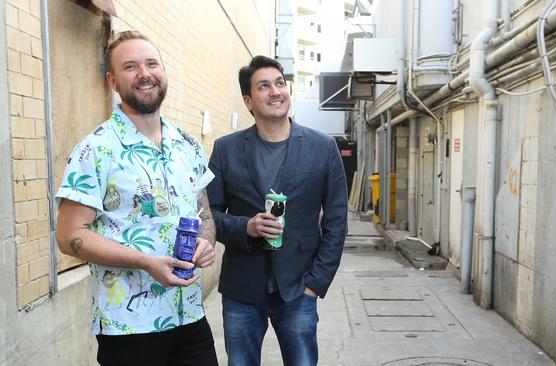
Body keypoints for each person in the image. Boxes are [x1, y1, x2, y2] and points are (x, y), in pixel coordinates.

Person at [55, 31, 219, 366]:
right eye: (130, 66)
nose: (144, 73)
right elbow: (69, 235)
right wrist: (145, 261)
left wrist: (206, 242)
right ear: (113, 81)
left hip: (189, 315)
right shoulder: (95, 149)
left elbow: (204, 215)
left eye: (151, 63)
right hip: (128, 326)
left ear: (163, 72)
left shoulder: (187, 145)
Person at [206, 55, 348, 365]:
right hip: (242, 287)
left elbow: (337, 222)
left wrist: (316, 284)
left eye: (280, 84)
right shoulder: (225, 149)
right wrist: (245, 227)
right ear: (248, 101)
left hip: (299, 287)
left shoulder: (322, 147)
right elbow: (209, 215)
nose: (275, 91)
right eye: (264, 86)